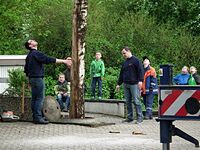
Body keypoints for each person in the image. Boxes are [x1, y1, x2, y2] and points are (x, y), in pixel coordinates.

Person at [24, 39, 72, 124]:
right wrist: (64, 61)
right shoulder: (36, 53)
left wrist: (29, 81)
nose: (33, 40)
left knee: (34, 99)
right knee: (39, 98)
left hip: (32, 78)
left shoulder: (29, 56)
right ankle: (38, 118)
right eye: (31, 41)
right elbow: (48, 59)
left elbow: (26, 70)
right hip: (38, 78)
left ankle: (35, 116)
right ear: (30, 45)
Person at [116, 46, 144, 124]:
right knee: (128, 101)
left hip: (134, 84)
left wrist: (140, 81)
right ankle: (130, 117)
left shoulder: (136, 61)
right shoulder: (125, 63)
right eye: (122, 54)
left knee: (136, 101)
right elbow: (121, 74)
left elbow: (140, 71)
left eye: (124, 53)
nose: (123, 55)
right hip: (126, 84)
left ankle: (140, 118)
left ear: (128, 51)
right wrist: (118, 84)